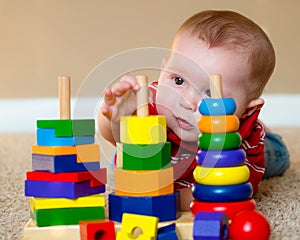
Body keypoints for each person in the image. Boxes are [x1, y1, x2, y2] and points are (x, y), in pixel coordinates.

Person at [98, 10, 290, 209]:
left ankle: (268, 135)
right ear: (164, 69)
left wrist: (172, 198)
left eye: (209, 93)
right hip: (169, 163)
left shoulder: (241, 141)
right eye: (178, 80)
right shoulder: (151, 101)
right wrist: (116, 118)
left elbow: (236, 189)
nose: (187, 101)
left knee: (277, 156)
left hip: (255, 147)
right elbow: (115, 137)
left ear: (246, 110)